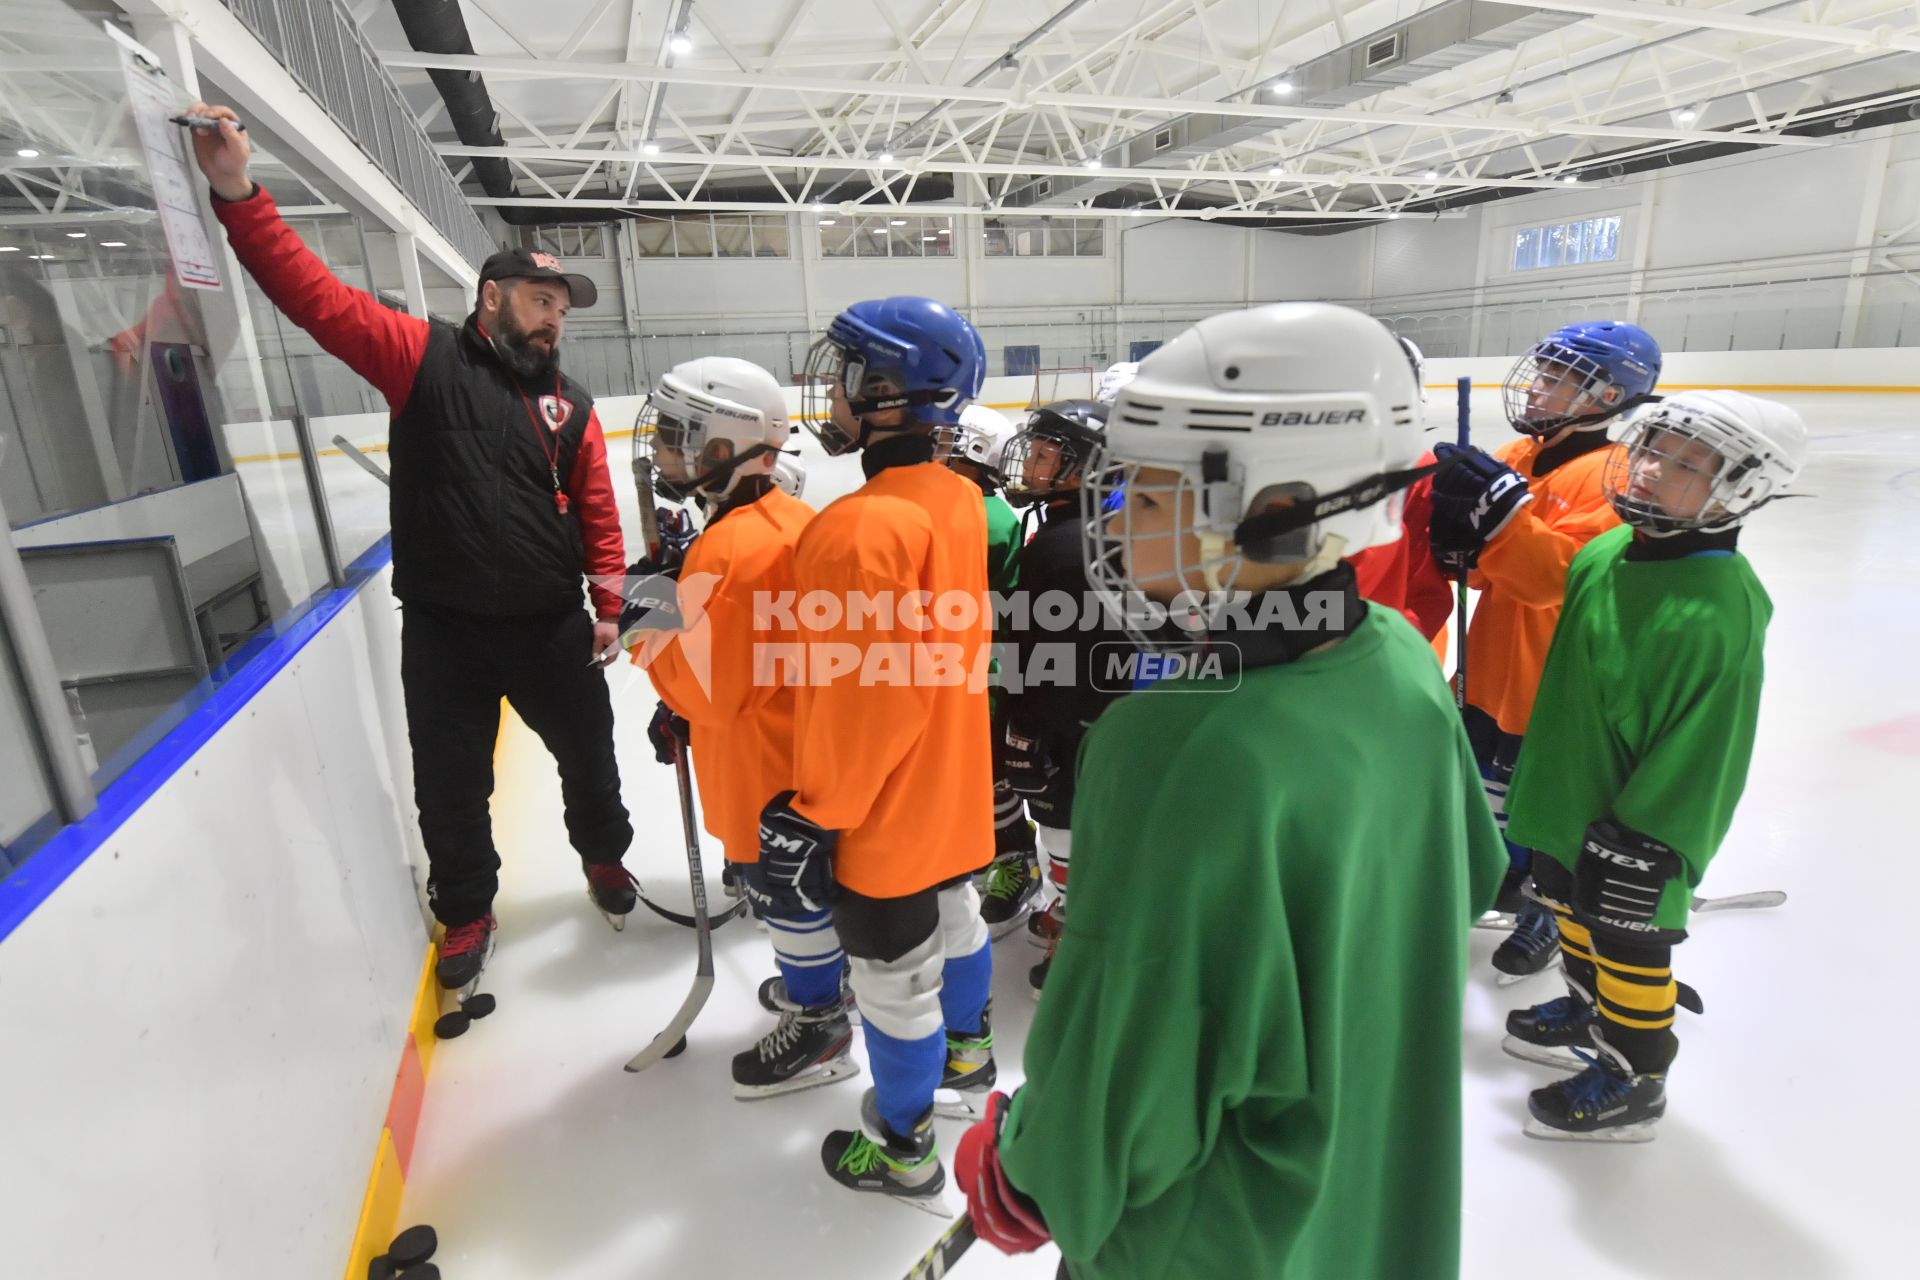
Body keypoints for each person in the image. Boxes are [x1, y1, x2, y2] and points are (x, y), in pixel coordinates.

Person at [954, 303, 1507, 1278]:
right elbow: (1464, 874)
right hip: (1360, 1180)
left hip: (1209, 1230)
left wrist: (1030, 1166)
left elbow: (1135, 1047)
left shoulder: (1169, 739)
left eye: (1154, 499)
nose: (1117, 524)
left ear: (1276, 504)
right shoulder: (1401, 662)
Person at [184, 103, 634, 992]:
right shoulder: (416, 355)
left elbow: (597, 509)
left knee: (591, 754)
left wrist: (611, 607)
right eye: (541, 302)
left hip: (550, 623)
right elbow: (312, 296)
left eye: (563, 310)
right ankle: (467, 908)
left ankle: (605, 859)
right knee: (450, 784)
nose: (554, 321)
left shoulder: (571, 402)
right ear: (492, 299)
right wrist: (236, 189)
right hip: (446, 631)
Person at [1500, 390, 1806, 1142]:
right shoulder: (1606, 552)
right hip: (1565, 791)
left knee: (1628, 946)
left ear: (1741, 484)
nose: (1648, 470)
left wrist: (1651, 843)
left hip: (1634, 822)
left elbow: (1707, 750)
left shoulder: (1718, 611)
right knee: (1568, 909)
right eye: (1650, 450)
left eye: (1685, 462)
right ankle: (1583, 1003)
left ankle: (1638, 1079)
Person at [746, 296, 995, 1204]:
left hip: (883, 812)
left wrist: (818, 817)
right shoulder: (957, 497)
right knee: (960, 918)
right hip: (954, 788)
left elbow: (870, 705)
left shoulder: (856, 529)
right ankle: (971, 1065)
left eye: (851, 374)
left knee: (892, 985)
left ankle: (904, 1149)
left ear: (889, 393)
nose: (835, 392)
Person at [622, 357, 852, 1100]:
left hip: (759, 761)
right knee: (802, 889)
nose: (660, 447)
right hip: (796, 745)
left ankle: (819, 1021)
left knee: (782, 895)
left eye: (676, 433)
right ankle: (824, 987)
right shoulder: (783, 518)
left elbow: (709, 687)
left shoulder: (730, 547)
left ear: (724, 446)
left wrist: (642, 626)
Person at [1429, 320, 1661, 981]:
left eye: (1562, 378)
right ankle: (1499, 878)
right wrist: (1454, 544)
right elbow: (1478, 567)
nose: (1539, 388)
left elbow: (1554, 577)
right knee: (1484, 789)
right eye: (1543, 373)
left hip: (1550, 679)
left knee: (1546, 805)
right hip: (1489, 667)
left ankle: (1550, 910)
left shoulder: (1612, 476)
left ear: (1608, 394)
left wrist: (1499, 526)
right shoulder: (1516, 456)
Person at [994, 398, 1127, 994]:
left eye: (1048, 456)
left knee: (1065, 829)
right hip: (1101, 718)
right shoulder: (1087, 531)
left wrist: (1026, 730)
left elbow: (1047, 654)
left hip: (1075, 723)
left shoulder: (1063, 545)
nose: (1032, 466)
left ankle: (1083, 938)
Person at [937, 404, 1042, 937]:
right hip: (955, 662)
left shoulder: (987, 515)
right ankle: (987, 848)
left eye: (949, 441)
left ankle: (1017, 857)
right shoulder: (957, 505)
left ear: (975, 451)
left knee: (987, 770)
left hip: (982, 665)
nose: (938, 448)